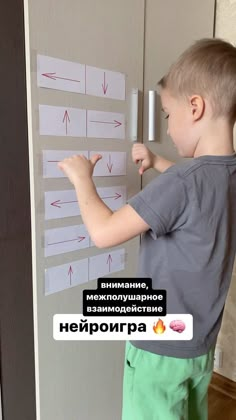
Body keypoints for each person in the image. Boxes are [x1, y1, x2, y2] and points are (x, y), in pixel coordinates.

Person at [58, 38, 236, 420]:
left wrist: (81, 179)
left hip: (159, 348)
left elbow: (104, 232)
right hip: (199, 346)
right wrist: (159, 161)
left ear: (196, 107)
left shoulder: (184, 183)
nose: (168, 129)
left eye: (168, 115)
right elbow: (198, 196)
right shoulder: (225, 176)